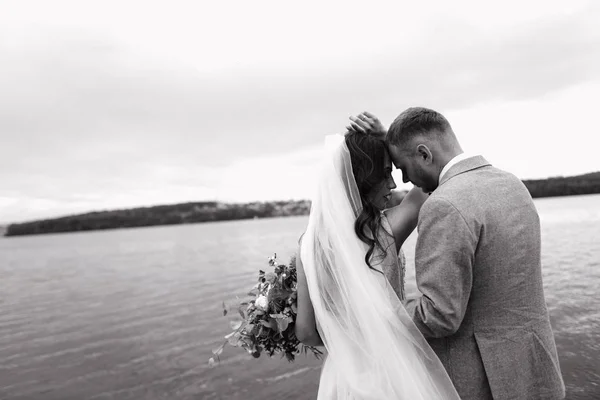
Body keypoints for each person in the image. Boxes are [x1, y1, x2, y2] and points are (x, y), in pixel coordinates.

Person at [348, 107, 566, 400]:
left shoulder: (444, 205)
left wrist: (372, 313)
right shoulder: (511, 184)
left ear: (424, 154)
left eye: (401, 167)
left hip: (484, 382)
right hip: (536, 371)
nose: (404, 180)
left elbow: (439, 315)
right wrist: (395, 139)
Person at [294, 131, 461, 399]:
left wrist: (346, 338)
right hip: (393, 373)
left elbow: (305, 332)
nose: (393, 184)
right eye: (385, 174)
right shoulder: (386, 231)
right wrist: (389, 136)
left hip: (343, 379)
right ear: (362, 180)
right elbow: (430, 178)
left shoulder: (307, 246)